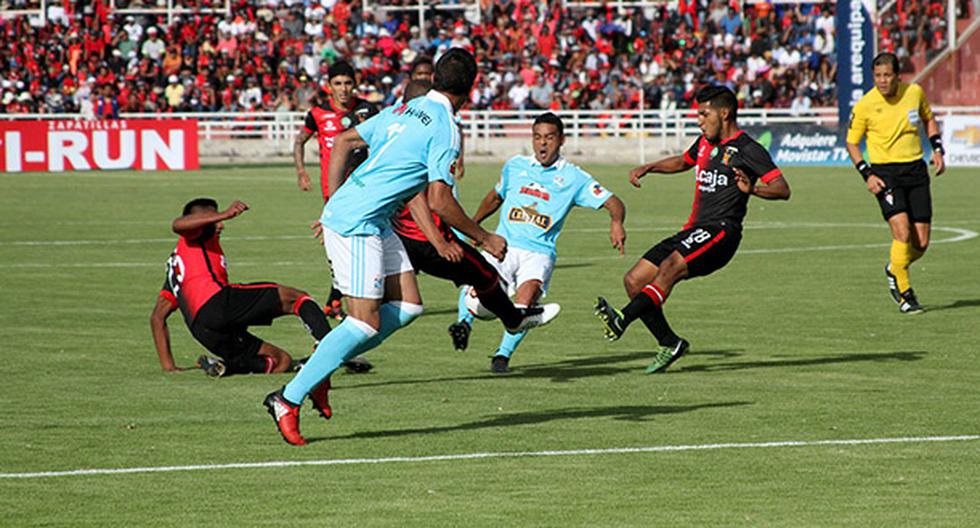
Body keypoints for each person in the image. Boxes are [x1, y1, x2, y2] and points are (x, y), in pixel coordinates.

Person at [263, 49, 559, 446]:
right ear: (470, 91)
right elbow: (439, 198)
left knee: (407, 307)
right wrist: (484, 237)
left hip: (371, 219)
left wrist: (333, 199)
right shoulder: (445, 127)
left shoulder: (409, 108)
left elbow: (351, 144)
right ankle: (287, 398)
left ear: (435, 77)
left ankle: (320, 368)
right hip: (356, 225)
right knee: (363, 321)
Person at [593, 86, 791, 374]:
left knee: (670, 267)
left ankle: (622, 318)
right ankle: (670, 343)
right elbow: (683, 162)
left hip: (722, 233)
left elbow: (782, 189)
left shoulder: (748, 149)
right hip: (693, 230)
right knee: (634, 280)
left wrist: (753, 189)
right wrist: (650, 167)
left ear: (724, 113)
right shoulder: (704, 143)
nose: (699, 119)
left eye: (703, 113)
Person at [389, 82, 563, 374]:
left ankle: (494, 346)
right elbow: (435, 201)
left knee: (409, 306)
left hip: (405, 231)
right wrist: (476, 235)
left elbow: (421, 198)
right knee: (476, 272)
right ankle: (504, 320)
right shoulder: (435, 128)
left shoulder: (396, 126)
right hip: (411, 234)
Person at [449, 112, 626, 373]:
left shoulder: (574, 178)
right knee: (478, 288)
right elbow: (494, 198)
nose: (543, 144)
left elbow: (614, 202)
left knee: (526, 302)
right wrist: (474, 227)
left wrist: (616, 222)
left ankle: (502, 356)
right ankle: (463, 324)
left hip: (539, 253)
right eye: (537, 137)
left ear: (561, 140)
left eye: (549, 138)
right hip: (503, 244)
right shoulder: (515, 166)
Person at [149, 198, 332, 378]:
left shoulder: (178, 264)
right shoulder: (195, 235)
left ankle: (225, 367)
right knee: (297, 298)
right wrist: (225, 214)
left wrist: (169, 367)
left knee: (280, 361)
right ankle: (332, 348)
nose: (220, 225)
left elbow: (157, 317)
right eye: (215, 219)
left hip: (202, 330)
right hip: (218, 302)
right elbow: (178, 225)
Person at [846, 52, 945, 314]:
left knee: (920, 243)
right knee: (901, 232)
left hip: (915, 170)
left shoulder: (914, 93)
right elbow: (852, 143)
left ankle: (894, 266)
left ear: (897, 76)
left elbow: (929, 118)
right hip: (885, 174)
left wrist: (937, 149)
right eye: (877, 76)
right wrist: (867, 173)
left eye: (887, 75)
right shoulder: (865, 105)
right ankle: (904, 293)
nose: (882, 80)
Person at [293, 60, 376, 322]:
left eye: (348, 83)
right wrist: (301, 172)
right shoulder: (318, 113)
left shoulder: (368, 110)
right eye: (338, 83)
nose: (343, 89)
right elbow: (299, 142)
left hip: (364, 189)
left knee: (351, 242)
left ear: (355, 84)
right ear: (329, 86)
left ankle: (337, 300)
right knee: (341, 243)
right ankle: (338, 299)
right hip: (335, 191)